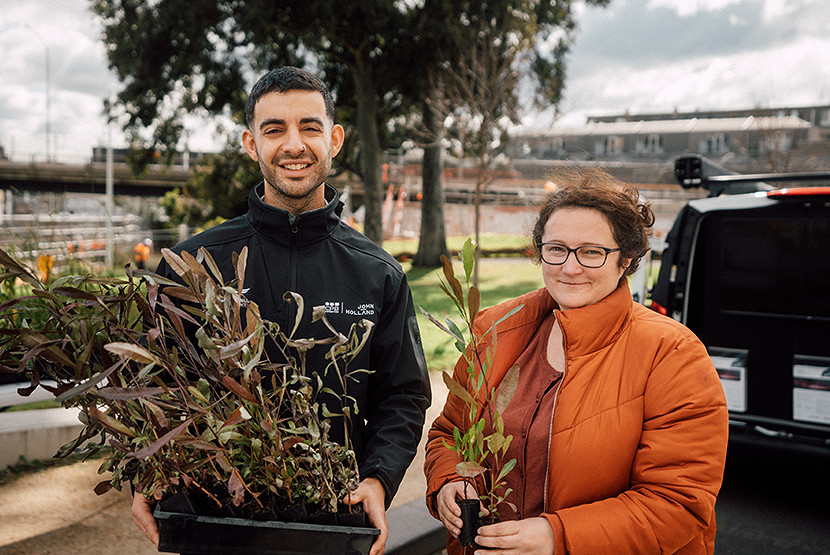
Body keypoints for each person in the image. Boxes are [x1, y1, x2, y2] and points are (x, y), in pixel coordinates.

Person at [131, 66, 431, 555]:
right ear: (252, 144)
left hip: (331, 522)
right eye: (274, 129)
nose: (294, 144)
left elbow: (402, 395)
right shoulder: (192, 266)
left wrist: (378, 480)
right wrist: (148, 471)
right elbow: (158, 384)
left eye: (309, 127)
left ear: (334, 139)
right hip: (216, 521)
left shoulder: (379, 274)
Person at [424, 171, 728, 554]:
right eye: (556, 249)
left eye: (591, 252)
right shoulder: (497, 328)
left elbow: (678, 502)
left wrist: (558, 538)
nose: (570, 267)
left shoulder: (672, 355)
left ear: (627, 260)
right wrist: (449, 481)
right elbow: (449, 433)